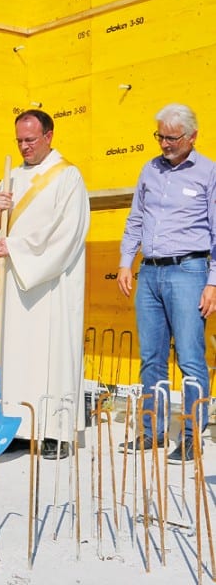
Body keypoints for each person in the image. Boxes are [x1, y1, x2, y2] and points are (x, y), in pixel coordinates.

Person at [0, 109, 90, 460]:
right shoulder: (10, 177)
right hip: (15, 284)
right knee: (14, 354)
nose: (24, 147)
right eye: (19, 141)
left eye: (30, 140)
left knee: (51, 354)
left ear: (48, 136)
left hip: (49, 285)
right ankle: (17, 425)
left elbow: (67, 236)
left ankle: (55, 431)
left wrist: (15, 248)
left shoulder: (68, 177)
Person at [117, 103, 216, 464]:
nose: (164, 144)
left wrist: (213, 283)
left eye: (171, 137)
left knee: (190, 359)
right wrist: (126, 262)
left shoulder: (209, 173)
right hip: (151, 273)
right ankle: (152, 432)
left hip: (190, 271)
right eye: (159, 136)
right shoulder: (150, 170)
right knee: (151, 358)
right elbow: (135, 219)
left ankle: (191, 437)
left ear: (192, 137)